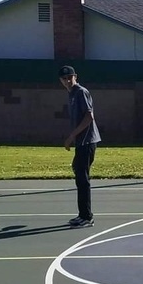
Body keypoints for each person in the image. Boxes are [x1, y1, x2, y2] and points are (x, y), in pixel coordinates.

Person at [58, 65, 101, 228]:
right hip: (81, 142)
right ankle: (82, 214)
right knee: (78, 170)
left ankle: (87, 217)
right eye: (64, 79)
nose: (67, 81)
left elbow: (89, 117)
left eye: (70, 77)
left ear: (75, 76)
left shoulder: (81, 92)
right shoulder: (72, 94)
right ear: (60, 80)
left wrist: (71, 136)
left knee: (82, 179)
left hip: (87, 141)